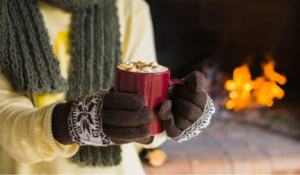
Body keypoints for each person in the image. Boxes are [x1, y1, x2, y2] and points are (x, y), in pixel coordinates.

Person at [0, 0, 214, 174]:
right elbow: (5, 122)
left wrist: (177, 115)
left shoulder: (131, 8)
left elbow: (149, 128)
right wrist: (75, 122)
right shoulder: (5, 11)